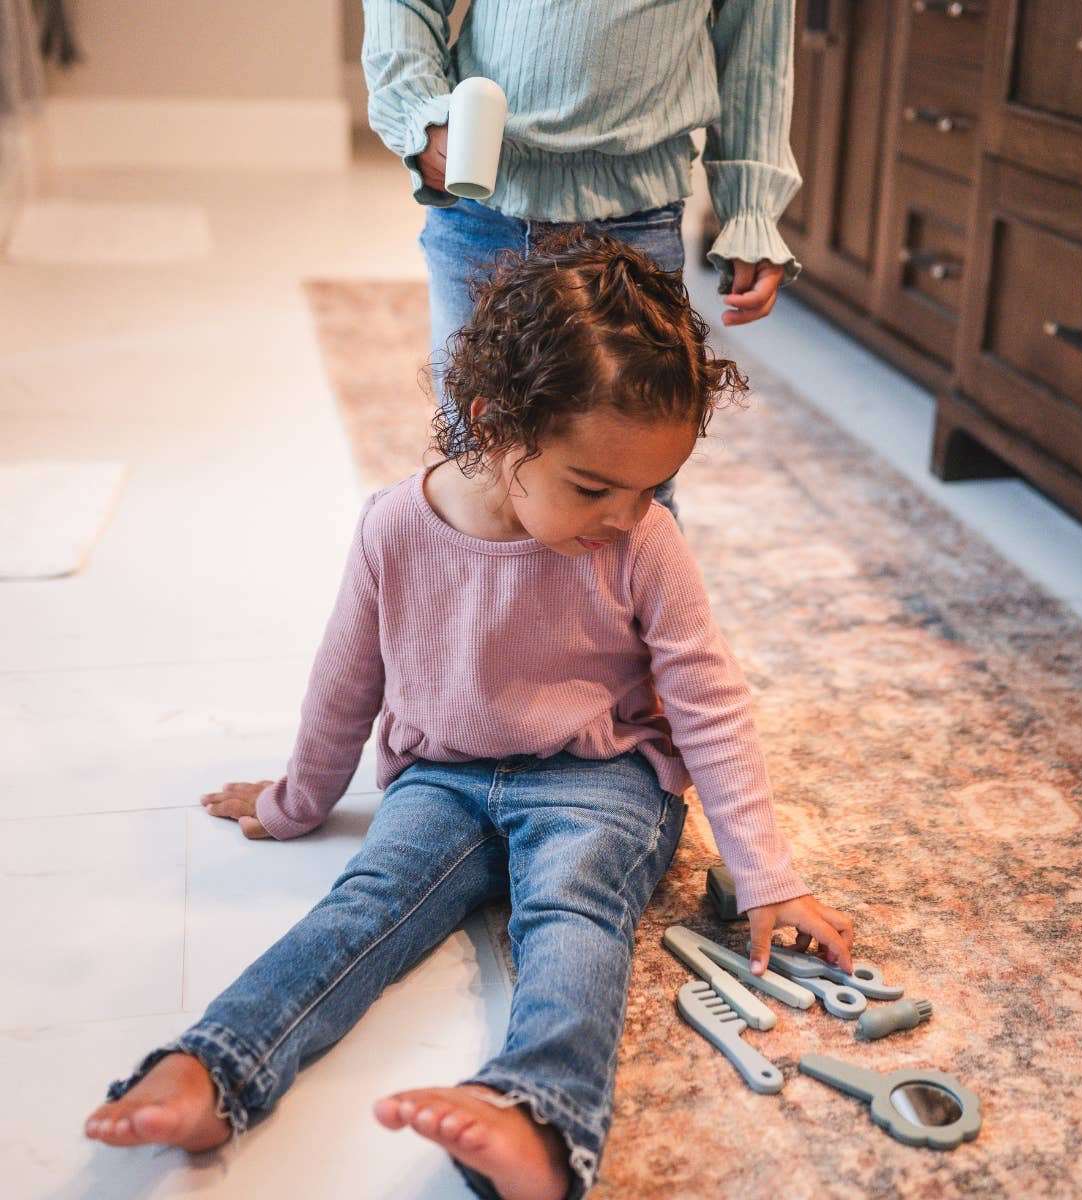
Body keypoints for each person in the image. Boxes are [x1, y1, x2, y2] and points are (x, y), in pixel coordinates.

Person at [82, 230, 854, 1200]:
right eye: (593, 487)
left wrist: (764, 877)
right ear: (493, 428)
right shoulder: (395, 530)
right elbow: (344, 682)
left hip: (601, 781)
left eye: (651, 489)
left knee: (574, 911)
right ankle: (216, 1063)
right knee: (364, 907)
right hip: (443, 779)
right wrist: (296, 800)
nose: (627, 514)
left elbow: (710, 702)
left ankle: (541, 1116)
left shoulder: (644, 544)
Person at [362, 0, 803, 524]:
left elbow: (756, 39)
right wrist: (419, 110)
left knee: (631, 481)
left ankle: (633, 607)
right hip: (482, 202)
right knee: (480, 469)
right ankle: (490, 606)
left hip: (634, 214)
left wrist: (751, 205)